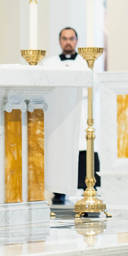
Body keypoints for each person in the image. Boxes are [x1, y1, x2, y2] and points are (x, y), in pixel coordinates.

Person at [42, 27, 89, 205]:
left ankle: (86, 188)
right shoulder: (50, 63)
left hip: (81, 109)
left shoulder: (86, 62)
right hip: (58, 113)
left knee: (83, 149)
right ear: (59, 41)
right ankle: (58, 190)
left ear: (76, 41)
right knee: (59, 149)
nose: (68, 42)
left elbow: (94, 84)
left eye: (71, 38)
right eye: (64, 38)